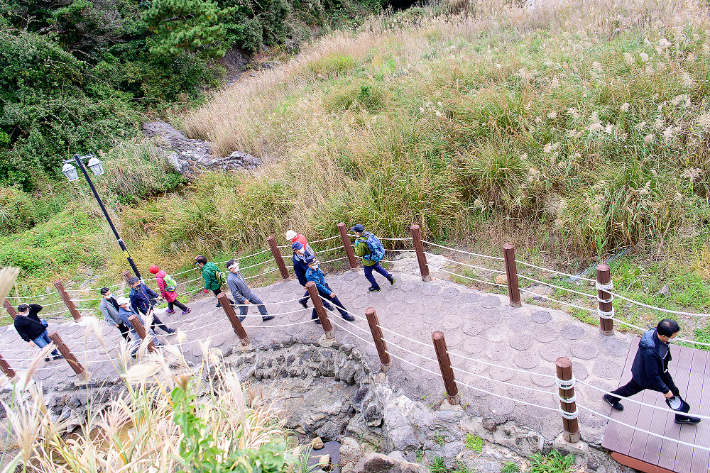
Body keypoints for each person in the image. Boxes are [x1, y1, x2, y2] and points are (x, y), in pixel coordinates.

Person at [604, 319, 701, 425]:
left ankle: (681, 416)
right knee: (629, 389)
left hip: (661, 371)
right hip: (644, 376)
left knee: (674, 391)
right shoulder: (650, 351)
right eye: (673, 337)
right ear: (664, 336)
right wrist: (665, 391)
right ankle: (611, 398)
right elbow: (652, 375)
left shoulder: (657, 334)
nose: (675, 338)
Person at [305, 256, 355, 323]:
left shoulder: (316, 267)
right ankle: (315, 318)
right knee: (318, 305)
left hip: (325, 286)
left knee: (336, 301)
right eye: (314, 264)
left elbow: (320, 273)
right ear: (309, 265)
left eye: (316, 263)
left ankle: (345, 315)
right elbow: (318, 286)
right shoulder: (309, 275)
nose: (316, 265)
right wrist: (329, 293)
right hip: (319, 291)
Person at [351, 223, 396, 292]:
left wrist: (356, 245)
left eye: (354, 231)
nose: (354, 232)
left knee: (367, 274)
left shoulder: (360, 242)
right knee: (377, 268)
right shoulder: (368, 235)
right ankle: (390, 277)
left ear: (357, 232)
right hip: (375, 257)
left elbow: (359, 254)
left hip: (368, 261)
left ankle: (376, 287)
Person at [291, 240, 334, 311]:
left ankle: (303, 300)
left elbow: (313, 261)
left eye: (301, 247)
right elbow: (299, 274)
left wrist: (318, 269)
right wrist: (304, 284)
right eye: (299, 248)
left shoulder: (305, 253)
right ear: (296, 251)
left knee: (314, 288)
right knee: (317, 290)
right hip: (308, 277)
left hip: (313, 272)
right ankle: (326, 305)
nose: (302, 248)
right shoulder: (296, 262)